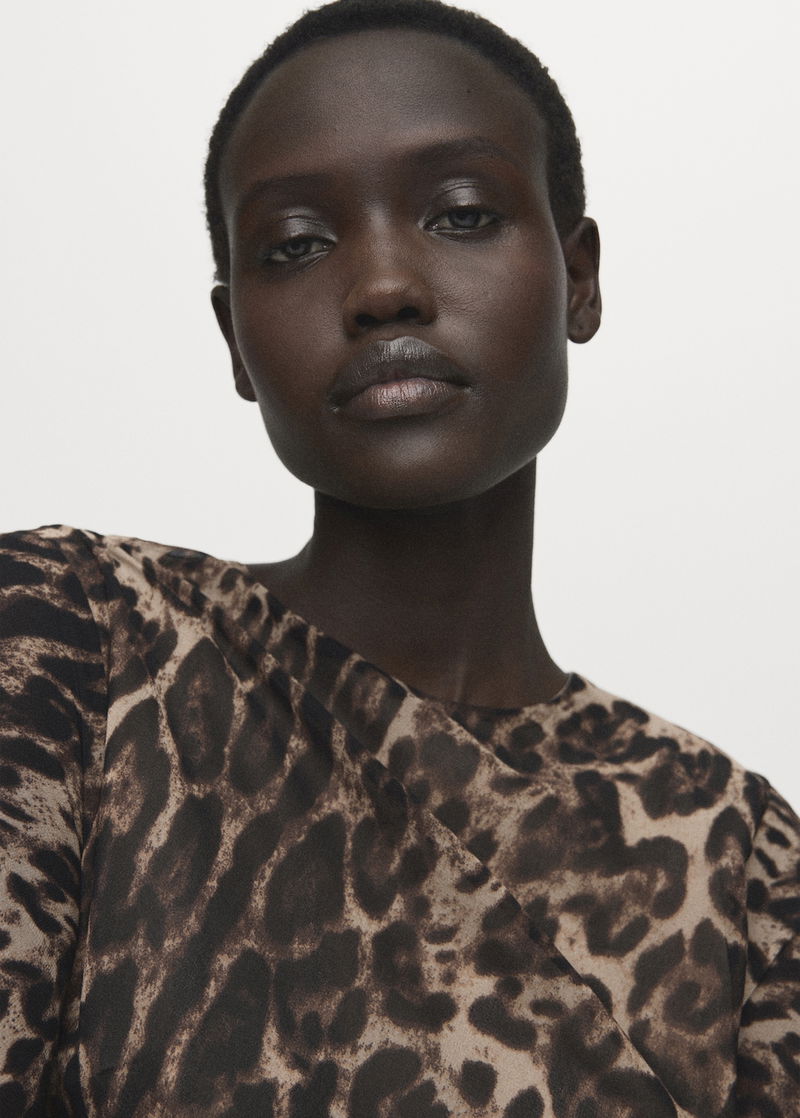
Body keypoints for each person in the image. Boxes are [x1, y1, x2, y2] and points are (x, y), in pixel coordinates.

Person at [1, 0, 798, 1114]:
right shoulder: (75, 642)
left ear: (578, 278)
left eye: (461, 215)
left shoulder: (738, 853)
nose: (382, 287)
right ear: (236, 341)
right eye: (295, 245)